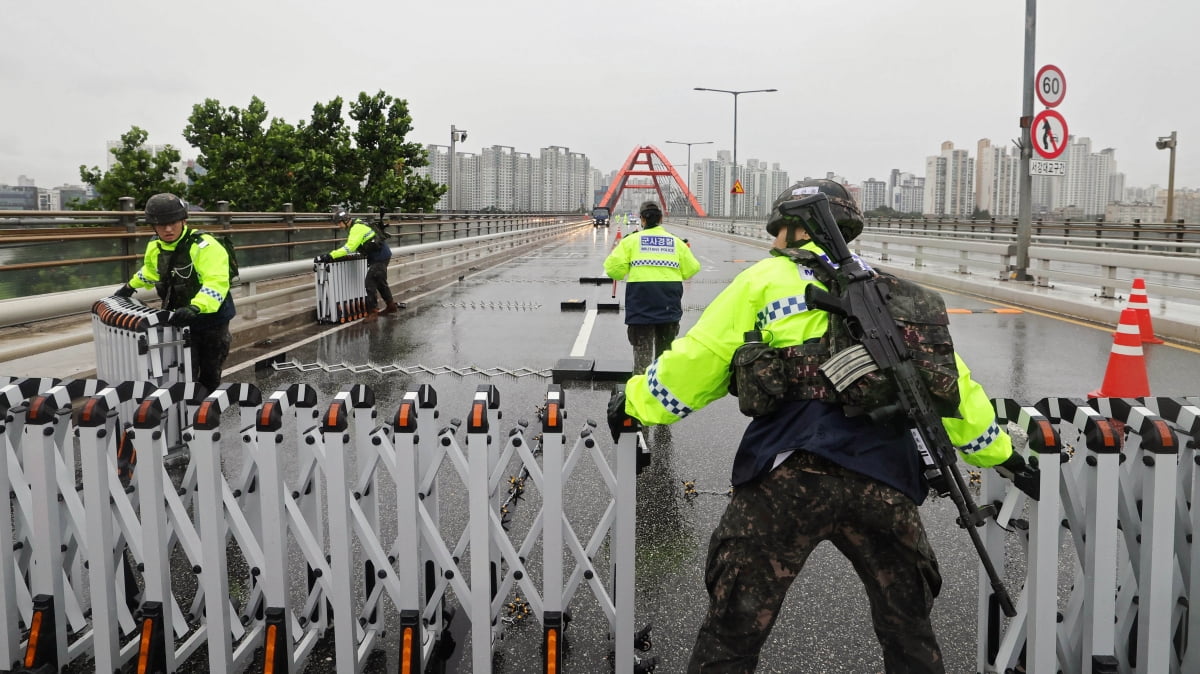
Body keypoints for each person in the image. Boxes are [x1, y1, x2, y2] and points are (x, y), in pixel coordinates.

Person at [608, 179, 1032, 673]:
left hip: (785, 477)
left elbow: (695, 364)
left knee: (731, 634)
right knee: (910, 635)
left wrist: (634, 403)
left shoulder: (763, 280)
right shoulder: (893, 294)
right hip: (886, 478)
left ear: (787, 228)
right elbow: (953, 390)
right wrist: (1002, 454)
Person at [111, 193, 235, 393]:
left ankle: (207, 414)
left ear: (184, 220)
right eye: (161, 225)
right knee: (183, 371)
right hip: (179, 317)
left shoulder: (204, 245)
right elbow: (151, 271)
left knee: (210, 373)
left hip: (212, 319)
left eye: (173, 223)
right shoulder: (155, 246)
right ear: (153, 226)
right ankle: (186, 413)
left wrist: (196, 306)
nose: (168, 229)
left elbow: (216, 281)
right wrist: (129, 287)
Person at [604, 200, 701, 373]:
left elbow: (612, 270)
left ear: (642, 220)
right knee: (665, 359)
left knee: (642, 362)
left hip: (641, 308)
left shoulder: (630, 241)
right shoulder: (676, 242)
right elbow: (692, 268)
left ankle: (642, 395)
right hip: (669, 307)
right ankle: (662, 393)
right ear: (661, 219)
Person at [316, 209, 400, 318]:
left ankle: (373, 313)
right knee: (380, 281)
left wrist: (330, 255)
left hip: (380, 256)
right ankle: (391, 307)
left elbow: (349, 248)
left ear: (345, 220)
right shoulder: (357, 224)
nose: (339, 226)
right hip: (381, 254)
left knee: (370, 283)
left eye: (339, 223)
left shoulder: (356, 228)